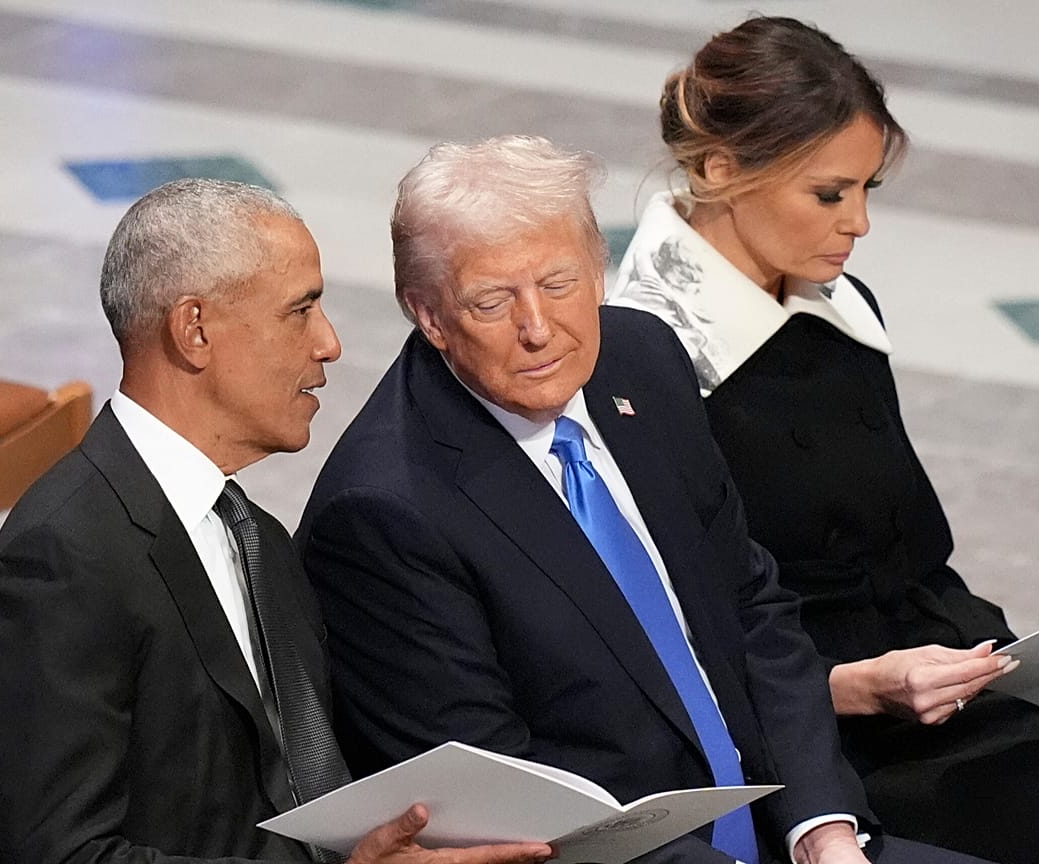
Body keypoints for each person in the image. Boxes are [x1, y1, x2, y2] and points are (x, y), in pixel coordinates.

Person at [609, 16, 1039, 864]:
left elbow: (903, 558)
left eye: (868, 190)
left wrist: (1029, 661)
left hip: (939, 701)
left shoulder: (842, 311)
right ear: (720, 170)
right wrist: (861, 687)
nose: (858, 223)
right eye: (830, 193)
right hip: (816, 755)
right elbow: (675, 643)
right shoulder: (645, 365)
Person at [297, 136, 991, 864]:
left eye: (560, 283)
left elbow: (751, 609)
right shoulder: (383, 513)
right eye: (493, 302)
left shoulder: (640, 358)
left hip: (775, 826)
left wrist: (823, 829)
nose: (539, 329)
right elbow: (508, 809)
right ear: (430, 316)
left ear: (599, 267)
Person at [0, 178, 555, 864]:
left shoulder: (256, 536)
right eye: (299, 311)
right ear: (195, 330)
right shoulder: (59, 562)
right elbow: (63, 858)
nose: (329, 344)